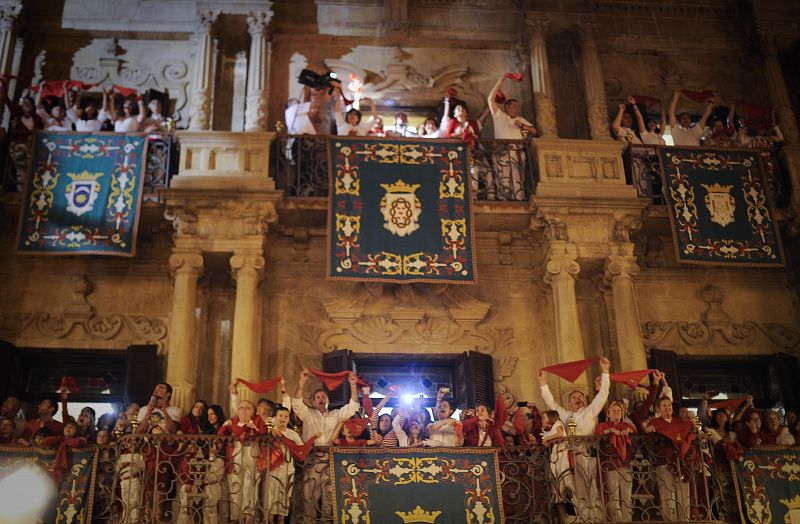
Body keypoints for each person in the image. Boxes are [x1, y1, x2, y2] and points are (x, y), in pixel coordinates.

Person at [539, 357, 611, 521]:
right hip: (572, 453)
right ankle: (584, 516)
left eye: (580, 396)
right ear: (569, 402)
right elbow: (550, 402)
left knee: (593, 484)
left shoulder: (590, 411)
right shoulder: (565, 415)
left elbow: (603, 395)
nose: (578, 398)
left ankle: (598, 517)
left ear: (584, 400)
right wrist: (543, 383)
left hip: (588, 452)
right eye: (574, 397)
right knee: (579, 487)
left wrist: (605, 372)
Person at [486, 75, 538, 201]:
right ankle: (504, 200)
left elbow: (534, 131)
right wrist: (500, 81)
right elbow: (490, 100)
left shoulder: (520, 119)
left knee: (517, 178)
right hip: (501, 152)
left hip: (517, 152)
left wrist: (522, 126)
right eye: (515, 106)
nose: (517, 109)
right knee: (503, 179)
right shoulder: (500, 117)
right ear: (508, 107)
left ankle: (519, 199)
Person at [218, 400, 267, 523]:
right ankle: (236, 517)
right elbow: (220, 436)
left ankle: (248, 516)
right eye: (241, 408)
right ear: (237, 410)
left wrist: (254, 429)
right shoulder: (231, 423)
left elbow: (266, 432)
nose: (244, 410)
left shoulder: (258, 422)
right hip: (235, 458)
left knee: (250, 486)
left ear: (253, 411)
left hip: (252, 458)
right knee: (235, 486)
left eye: (247, 408)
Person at [646, 397, 693, 521]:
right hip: (664, 462)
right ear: (658, 408)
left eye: (669, 405)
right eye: (664, 406)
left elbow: (690, 433)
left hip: (680, 462)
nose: (667, 408)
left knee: (683, 494)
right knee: (667, 494)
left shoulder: (679, 422)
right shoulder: (654, 423)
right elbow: (649, 440)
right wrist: (650, 431)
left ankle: (685, 520)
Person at [595, 401, 636, 522]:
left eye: (619, 411)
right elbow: (598, 433)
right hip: (610, 464)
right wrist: (611, 430)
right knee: (614, 495)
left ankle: (627, 520)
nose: (616, 413)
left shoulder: (625, 425)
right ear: (608, 413)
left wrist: (629, 430)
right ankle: (617, 520)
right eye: (614, 411)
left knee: (627, 494)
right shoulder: (603, 425)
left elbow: (634, 430)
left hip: (625, 463)